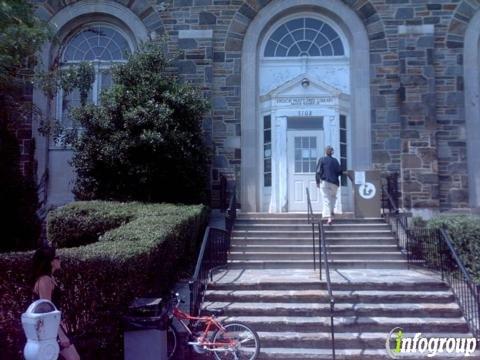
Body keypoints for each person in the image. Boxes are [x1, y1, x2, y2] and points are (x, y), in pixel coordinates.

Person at [32, 246, 80, 360]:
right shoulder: (45, 280)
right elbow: (47, 312)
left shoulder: (50, 278)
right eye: (57, 257)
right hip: (48, 330)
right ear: (50, 262)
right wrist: (61, 335)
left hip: (52, 327)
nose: (60, 260)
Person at [316, 145, 343, 225]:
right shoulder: (335, 161)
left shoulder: (322, 159)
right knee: (333, 198)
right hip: (335, 183)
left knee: (326, 199)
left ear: (325, 152)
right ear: (332, 152)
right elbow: (340, 172)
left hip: (325, 182)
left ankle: (328, 217)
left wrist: (317, 181)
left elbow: (318, 172)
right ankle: (331, 212)